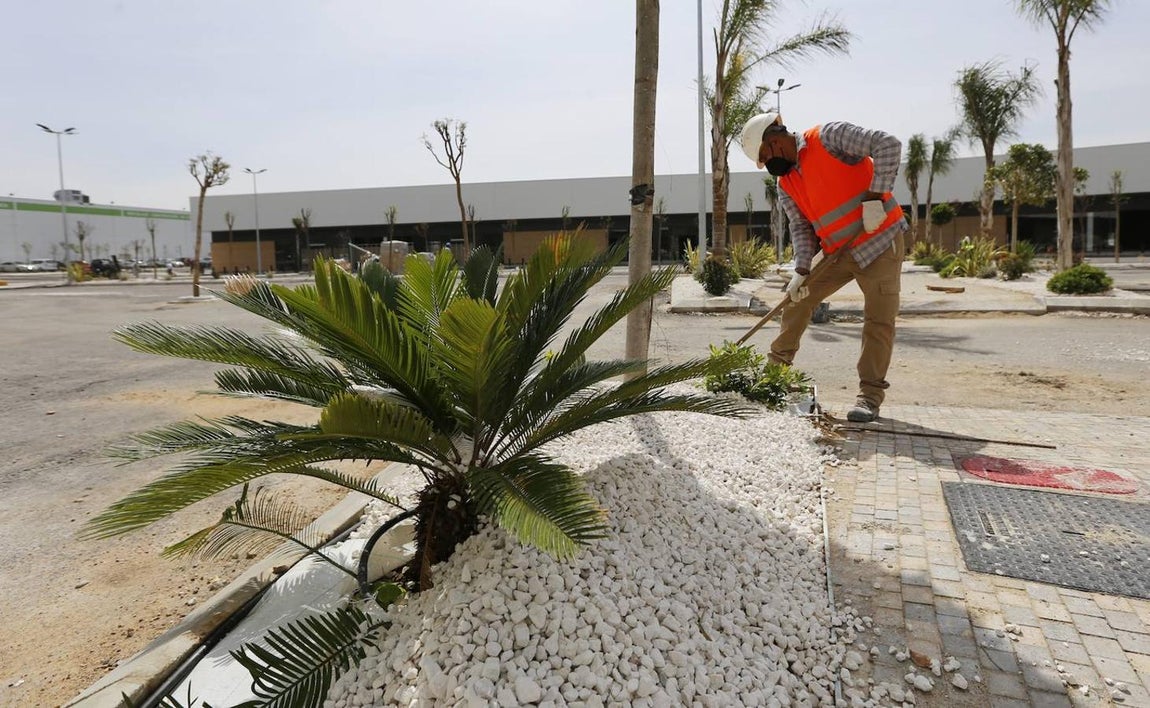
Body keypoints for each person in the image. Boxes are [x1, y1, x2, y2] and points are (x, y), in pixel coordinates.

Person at [739, 111, 906, 423]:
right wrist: (801, 271)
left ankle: (869, 397)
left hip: (879, 241)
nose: (768, 164)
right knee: (796, 302)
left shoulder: (829, 137)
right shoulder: (784, 184)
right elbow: (801, 229)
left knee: (878, 321)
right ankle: (773, 375)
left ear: (773, 140)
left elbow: (888, 145)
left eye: (764, 156)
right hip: (837, 253)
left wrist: (875, 198)